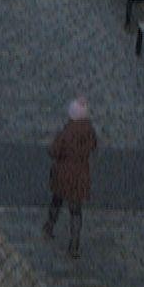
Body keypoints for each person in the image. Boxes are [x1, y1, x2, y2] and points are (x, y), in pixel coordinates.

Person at [44, 97, 98, 258]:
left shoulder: (66, 133)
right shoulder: (90, 132)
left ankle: (49, 227)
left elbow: (54, 152)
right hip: (81, 174)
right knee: (76, 210)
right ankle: (74, 244)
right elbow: (93, 146)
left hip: (64, 173)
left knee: (57, 200)